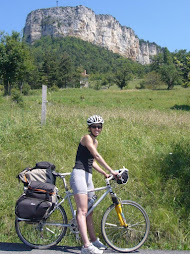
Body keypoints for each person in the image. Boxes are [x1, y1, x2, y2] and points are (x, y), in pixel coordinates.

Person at [70, 115, 118, 254]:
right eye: (94, 126)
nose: (97, 129)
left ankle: (93, 240)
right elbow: (97, 156)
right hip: (79, 174)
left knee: (89, 211)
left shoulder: (95, 142)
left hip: (88, 175)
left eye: (99, 126)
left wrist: (104, 173)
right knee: (83, 211)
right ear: (89, 128)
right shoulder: (86, 138)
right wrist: (112, 171)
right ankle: (86, 246)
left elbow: (93, 161)